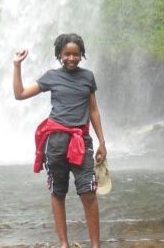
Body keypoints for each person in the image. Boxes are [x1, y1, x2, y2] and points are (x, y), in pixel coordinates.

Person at [13, 33, 107, 248]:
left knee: (89, 192)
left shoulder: (88, 77)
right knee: (58, 191)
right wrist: (17, 65)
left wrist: (102, 142)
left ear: (81, 55)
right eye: (66, 54)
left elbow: (93, 111)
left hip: (81, 141)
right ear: (59, 55)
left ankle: (95, 245)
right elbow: (19, 94)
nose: (71, 58)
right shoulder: (51, 77)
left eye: (75, 54)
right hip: (56, 142)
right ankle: (63, 244)